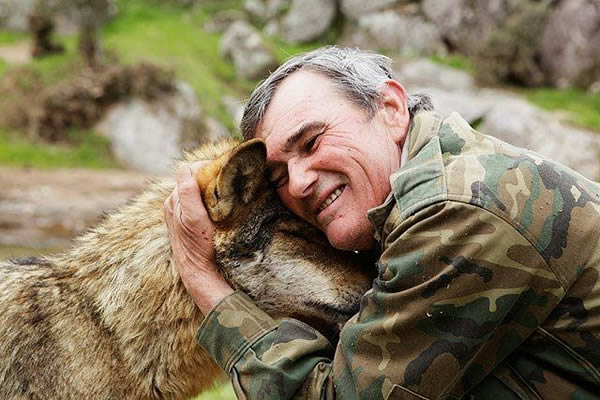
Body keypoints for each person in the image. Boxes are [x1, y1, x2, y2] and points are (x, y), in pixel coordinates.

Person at [163, 47, 600, 399]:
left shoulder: (457, 211)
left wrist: (206, 281)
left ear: (391, 108)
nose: (296, 183)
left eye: (312, 141)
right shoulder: (439, 180)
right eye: (277, 176)